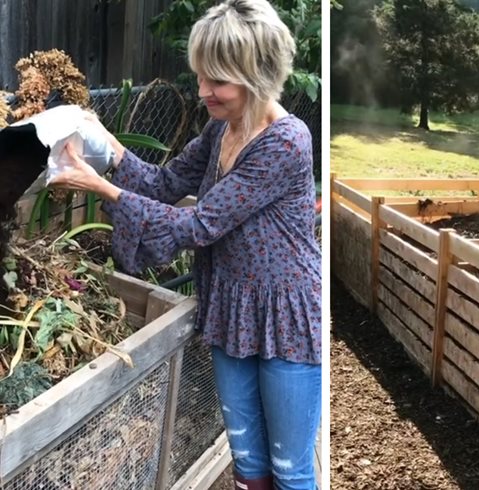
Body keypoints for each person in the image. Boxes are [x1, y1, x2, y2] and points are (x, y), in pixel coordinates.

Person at [50, 1, 321, 489]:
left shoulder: (287, 142)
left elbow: (198, 226)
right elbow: (164, 182)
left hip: (285, 317)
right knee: (249, 461)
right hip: (231, 308)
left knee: (290, 470)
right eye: (200, 77)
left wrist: (102, 189)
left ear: (256, 74)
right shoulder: (222, 128)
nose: (202, 92)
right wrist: (106, 143)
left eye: (216, 80)